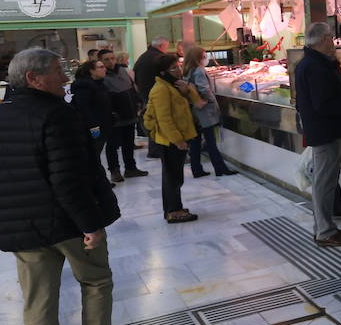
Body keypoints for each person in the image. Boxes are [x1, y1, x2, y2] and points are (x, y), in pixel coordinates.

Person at [0, 48, 119, 325]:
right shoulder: (58, 115)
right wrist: (91, 225)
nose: (65, 78)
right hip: (68, 223)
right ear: (33, 78)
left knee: (37, 303)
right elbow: (69, 179)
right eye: (58, 71)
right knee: (96, 280)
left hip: (22, 226)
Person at [295, 22, 341, 247]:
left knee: (327, 181)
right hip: (325, 131)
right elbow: (323, 104)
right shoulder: (315, 66)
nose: (333, 42)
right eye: (331, 37)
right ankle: (324, 231)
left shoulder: (313, 63)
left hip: (325, 131)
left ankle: (324, 228)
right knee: (323, 182)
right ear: (322, 40)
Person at [143, 54, 200, 223]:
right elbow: (164, 119)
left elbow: (196, 102)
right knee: (172, 177)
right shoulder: (161, 89)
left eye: (178, 66)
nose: (178, 70)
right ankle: (173, 211)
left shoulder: (173, 85)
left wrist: (187, 90)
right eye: (173, 68)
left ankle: (173, 208)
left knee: (174, 176)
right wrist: (178, 140)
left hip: (179, 136)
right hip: (169, 141)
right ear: (162, 72)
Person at [183, 45, 237, 178]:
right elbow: (204, 89)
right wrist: (211, 101)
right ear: (198, 57)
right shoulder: (199, 71)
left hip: (194, 111)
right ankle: (220, 168)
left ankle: (197, 169)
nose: (205, 58)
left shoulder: (186, 71)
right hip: (204, 112)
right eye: (204, 56)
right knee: (210, 141)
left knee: (195, 142)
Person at [99, 49, 146, 182]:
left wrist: (138, 102)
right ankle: (115, 171)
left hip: (130, 114)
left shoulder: (123, 71)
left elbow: (132, 88)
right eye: (106, 59)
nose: (110, 61)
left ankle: (131, 168)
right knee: (112, 145)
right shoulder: (101, 76)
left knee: (128, 143)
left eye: (112, 58)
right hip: (114, 119)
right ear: (101, 61)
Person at [68, 60, 111, 175]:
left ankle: (98, 179)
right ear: (91, 71)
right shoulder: (84, 86)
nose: (104, 69)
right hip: (92, 127)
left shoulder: (99, 84)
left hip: (101, 124)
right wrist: (94, 127)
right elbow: (84, 108)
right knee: (93, 153)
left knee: (96, 152)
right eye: (101, 67)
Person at [132, 36, 170, 104]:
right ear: (161, 46)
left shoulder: (143, 56)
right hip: (157, 93)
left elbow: (134, 73)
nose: (166, 49)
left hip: (143, 92)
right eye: (166, 47)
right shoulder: (160, 58)